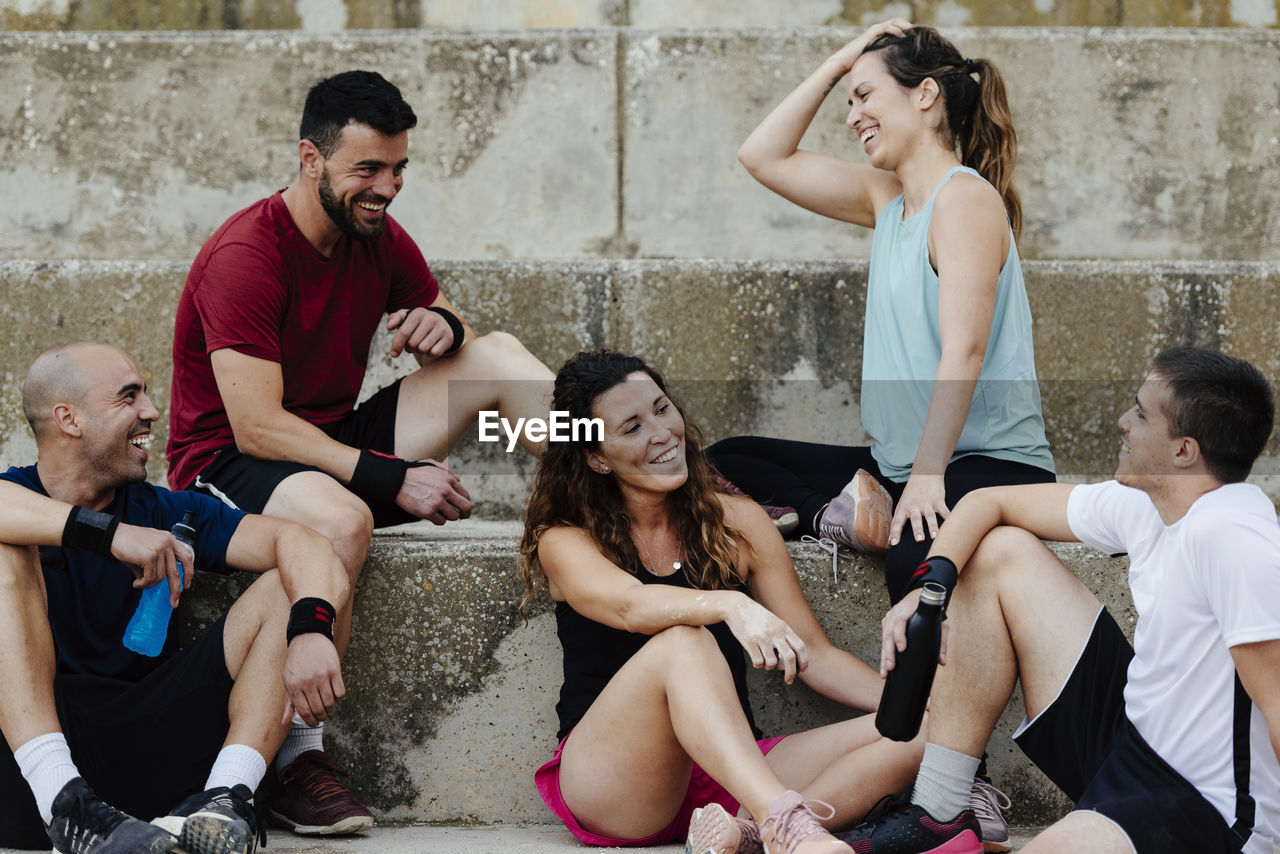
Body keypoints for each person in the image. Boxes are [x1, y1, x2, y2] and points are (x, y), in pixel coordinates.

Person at [165, 70, 554, 830]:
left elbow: (445, 318)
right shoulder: (247, 254)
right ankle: (298, 759)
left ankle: (627, 484)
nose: (389, 186)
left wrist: (447, 325)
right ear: (311, 158)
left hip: (328, 440)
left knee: (500, 356)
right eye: (368, 169)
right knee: (341, 521)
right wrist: (390, 477)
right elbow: (257, 428)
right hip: (228, 464)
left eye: (399, 168)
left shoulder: (369, 228)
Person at [844, 347, 1280, 854]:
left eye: (1140, 414)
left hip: (1201, 809)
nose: (1123, 422)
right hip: (1132, 745)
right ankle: (940, 810)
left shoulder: (1233, 534)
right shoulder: (1147, 502)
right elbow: (990, 502)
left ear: (1184, 451)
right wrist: (929, 591)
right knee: (999, 551)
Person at [519, 349, 933, 854]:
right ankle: (787, 826)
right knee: (682, 643)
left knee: (921, 731)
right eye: (631, 427)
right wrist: (730, 605)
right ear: (595, 456)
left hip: (727, 775)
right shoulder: (565, 538)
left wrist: (915, 702)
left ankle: (750, 835)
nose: (662, 433)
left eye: (662, 408)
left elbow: (815, 657)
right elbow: (631, 605)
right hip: (618, 779)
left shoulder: (736, 522)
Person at [708, 20, 1055, 607]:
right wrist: (843, 62)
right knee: (725, 460)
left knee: (913, 562)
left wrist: (927, 478)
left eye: (864, 96)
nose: (851, 117)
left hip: (985, 463)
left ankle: (913, 699)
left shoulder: (964, 198)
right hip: (901, 465)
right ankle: (844, 514)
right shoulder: (887, 198)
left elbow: (964, 349)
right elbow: (761, 156)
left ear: (925, 95)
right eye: (850, 100)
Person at [0, 342, 351, 854]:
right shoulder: (15, 494)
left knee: (291, 581)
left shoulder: (172, 511)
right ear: (68, 419)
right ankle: (65, 803)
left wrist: (313, 628)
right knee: (4, 547)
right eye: (129, 397)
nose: (151, 411)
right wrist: (108, 533)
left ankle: (225, 800)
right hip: (29, 775)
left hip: (154, 754)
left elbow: (300, 542)